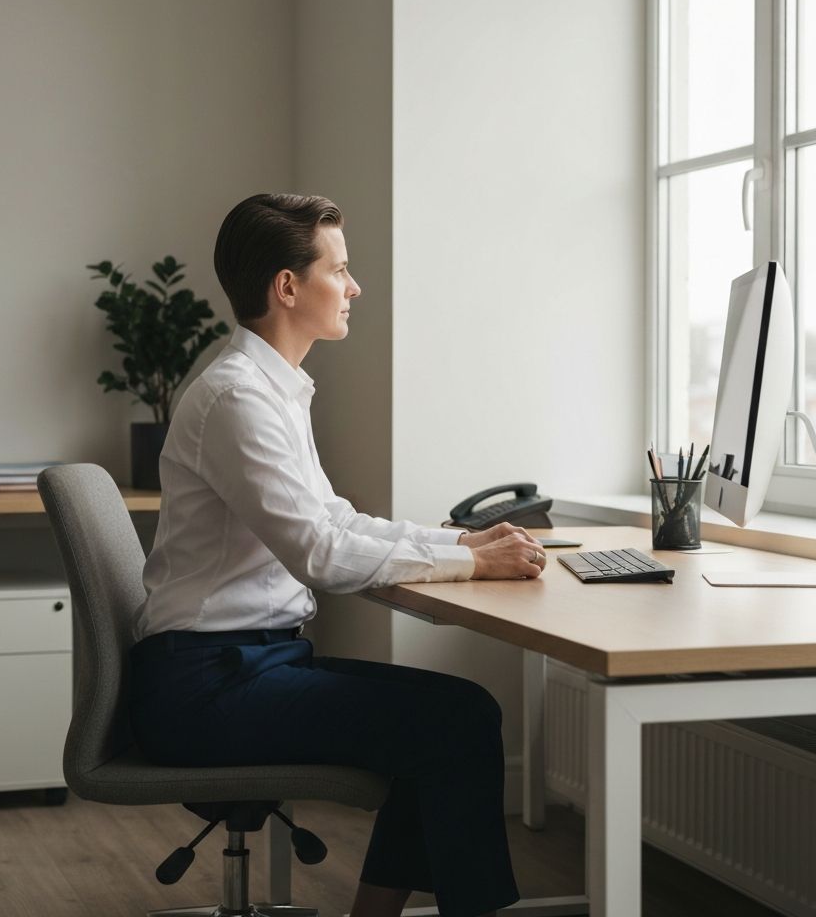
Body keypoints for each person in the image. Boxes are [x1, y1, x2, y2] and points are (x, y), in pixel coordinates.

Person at [130, 193, 547, 917]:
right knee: (456, 722)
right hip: (206, 687)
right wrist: (473, 565)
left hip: (250, 664)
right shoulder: (237, 398)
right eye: (341, 270)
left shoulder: (272, 388)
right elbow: (320, 552)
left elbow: (335, 519)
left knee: (456, 714)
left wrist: (460, 544)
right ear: (287, 287)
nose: (354, 288)